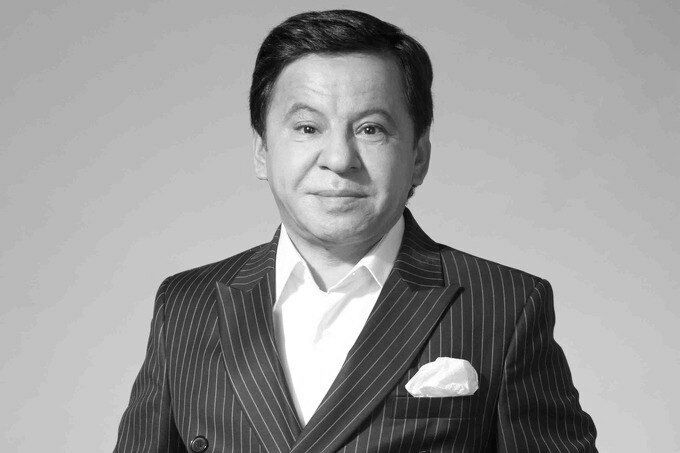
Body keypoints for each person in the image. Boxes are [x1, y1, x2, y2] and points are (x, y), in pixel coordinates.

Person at [114, 9, 597, 453]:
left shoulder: (502, 306)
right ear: (262, 151)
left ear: (419, 157)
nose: (339, 159)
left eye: (370, 129)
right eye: (307, 128)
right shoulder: (187, 306)